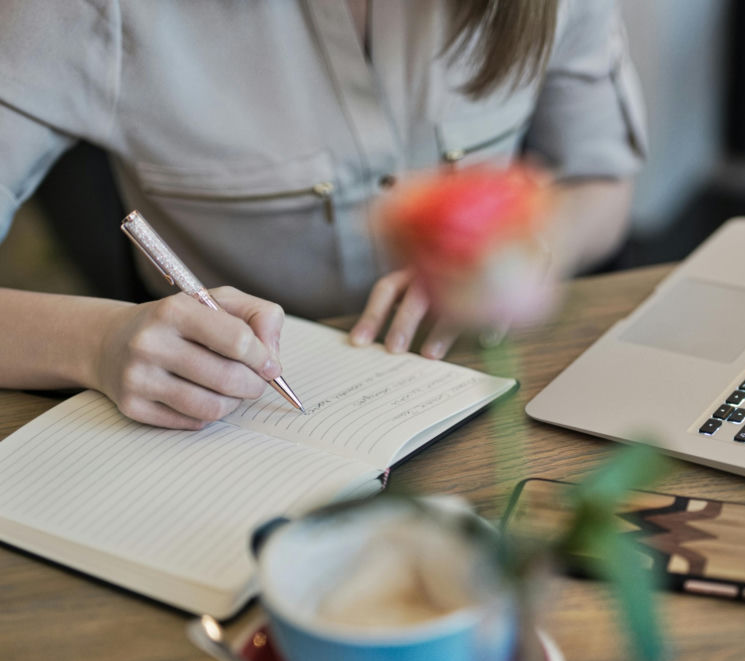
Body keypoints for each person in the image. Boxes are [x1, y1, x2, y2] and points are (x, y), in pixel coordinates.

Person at [0, 0, 647, 429]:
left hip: (497, 398)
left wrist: (535, 249)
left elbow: (601, 182)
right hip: (229, 424)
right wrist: (97, 341)